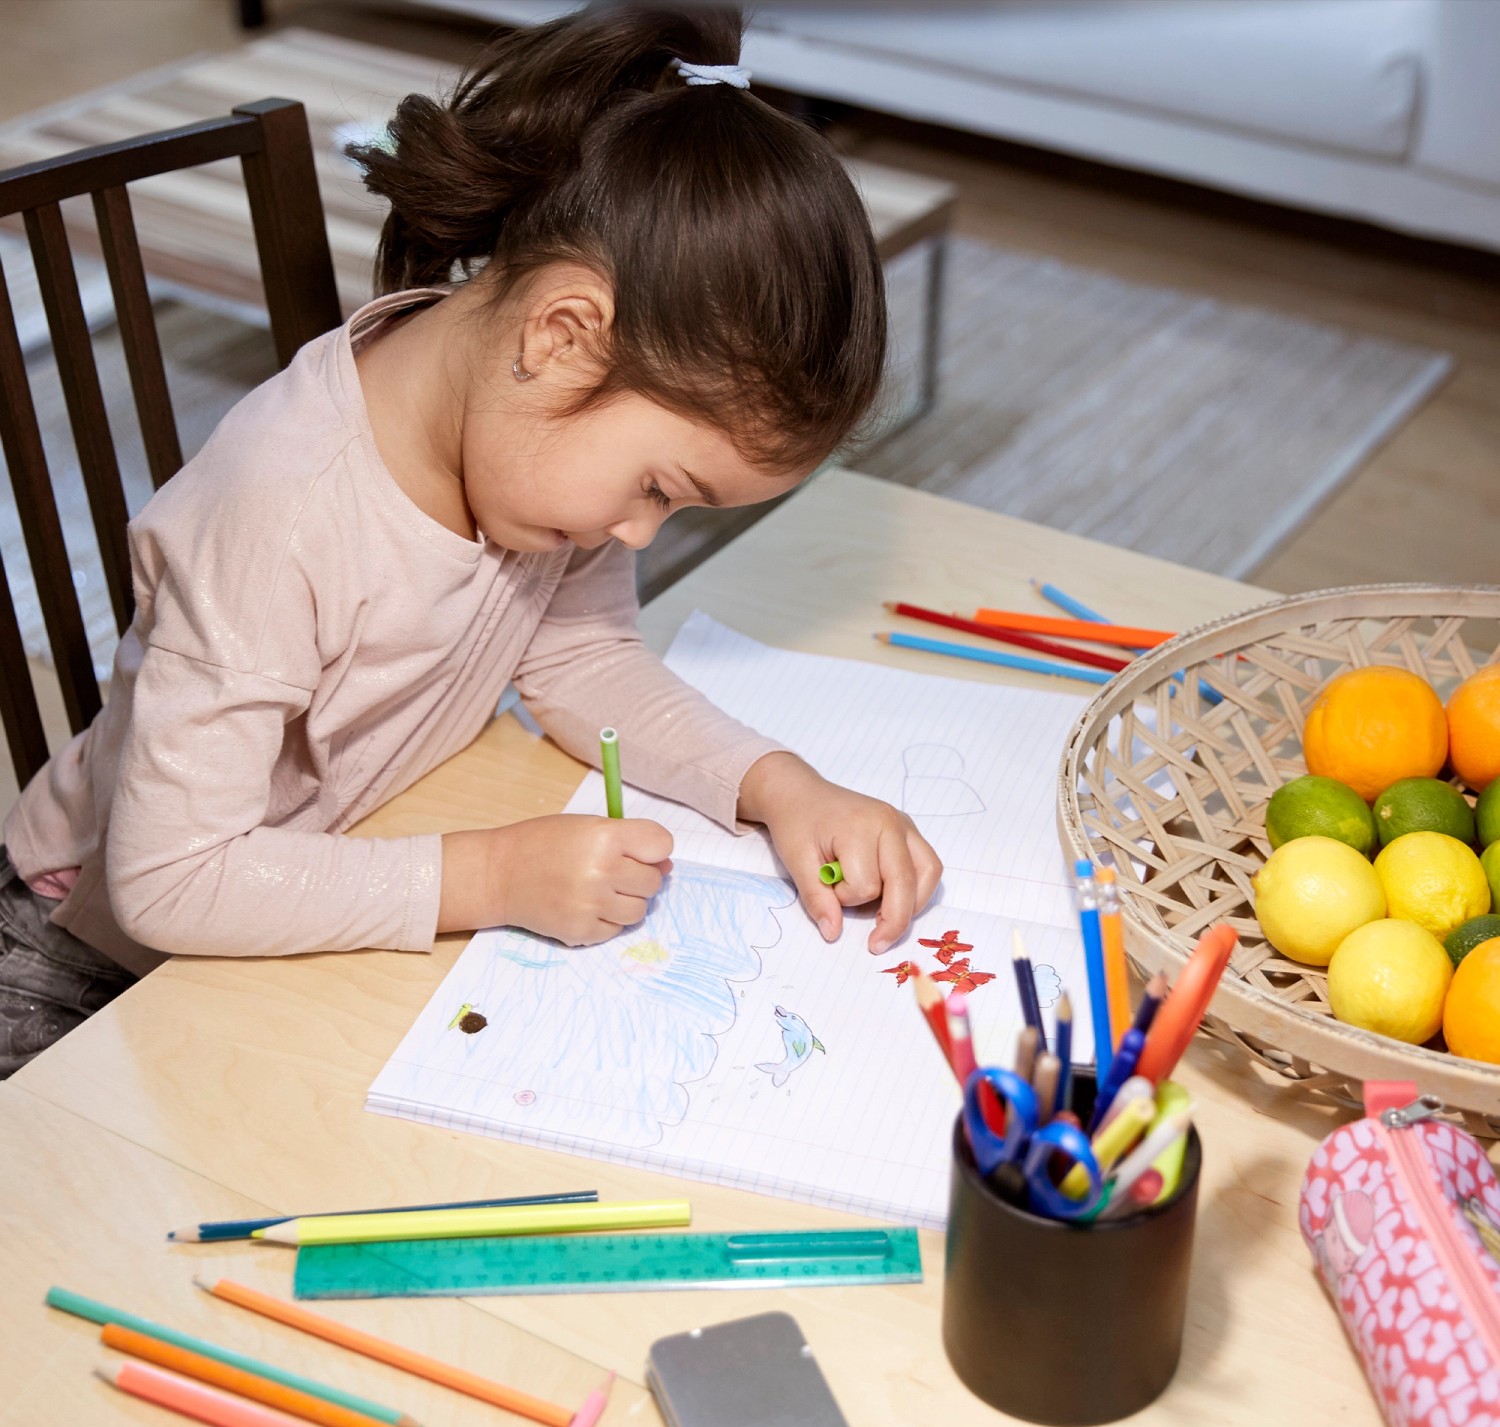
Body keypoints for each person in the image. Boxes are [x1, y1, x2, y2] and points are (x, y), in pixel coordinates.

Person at [0, 5, 942, 1078]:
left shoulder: (533, 440)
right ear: (562, 333)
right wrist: (488, 879)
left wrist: (780, 786)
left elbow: (582, 661)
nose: (637, 530)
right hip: (92, 952)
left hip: (334, 860)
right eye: (656, 487)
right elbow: (168, 881)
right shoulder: (284, 513)